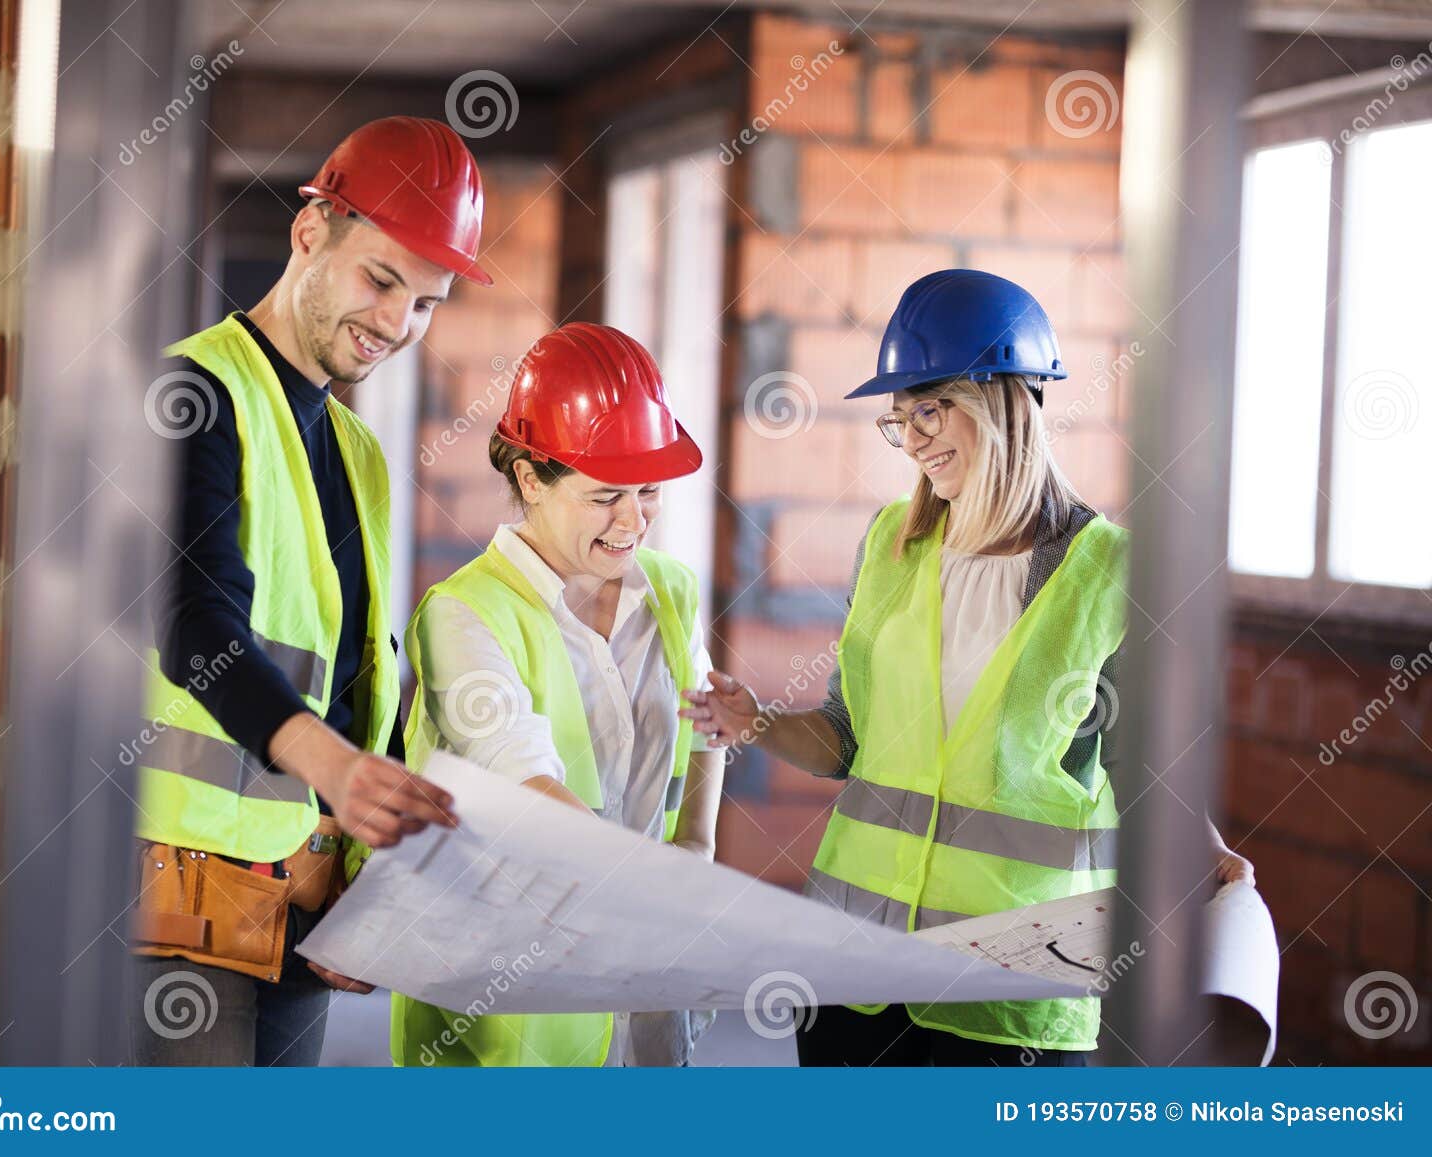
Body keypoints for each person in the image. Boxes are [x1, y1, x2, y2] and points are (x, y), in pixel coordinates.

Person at [682, 269, 1255, 1067]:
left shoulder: (1110, 572)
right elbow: (846, 739)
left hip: (1009, 995)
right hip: (854, 973)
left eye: (929, 408)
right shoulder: (890, 545)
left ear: (1007, 397)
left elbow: (1145, 771)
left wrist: (1208, 847)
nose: (912, 438)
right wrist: (758, 723)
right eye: (899, 419)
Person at [128, 117, 485, 1066]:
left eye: (426, 302)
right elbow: (193, 623)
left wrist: (363, 865)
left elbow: (359, 677)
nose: (396, 323)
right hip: (183, 897)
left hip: (307, 900)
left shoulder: (360, 452)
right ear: (311, 232)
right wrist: (335, 770)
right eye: (381, 278)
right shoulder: (195, 394)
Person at [394, 322, 725, 1066]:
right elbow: (529, 785)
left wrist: (696, 846)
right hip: (510, 1002)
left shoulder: (668, 590)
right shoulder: (464, 614)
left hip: (644, 983)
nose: (634, 519)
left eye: (648, 491)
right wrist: (662, 893)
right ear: (531, 479)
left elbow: (705, 719)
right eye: (606, 495)